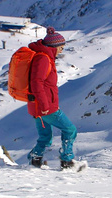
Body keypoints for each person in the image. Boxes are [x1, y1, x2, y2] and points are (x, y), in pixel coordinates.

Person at [26, 27, 77, 169]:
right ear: (54, 46)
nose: (62, 50)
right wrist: (45, 105)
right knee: (70, 129)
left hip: (37, 106)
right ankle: (67, 159)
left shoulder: (43, 57)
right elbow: (37, 82)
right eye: (61, 47)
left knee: (45, 136)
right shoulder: (43, 59)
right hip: (44, 107)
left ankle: (35, 159)